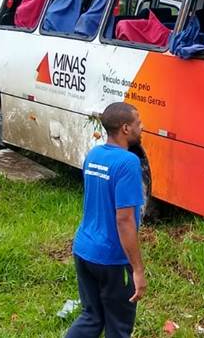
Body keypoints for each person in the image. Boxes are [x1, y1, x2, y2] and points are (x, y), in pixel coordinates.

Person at [66, 102, 148, 338]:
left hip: (83, 249)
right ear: (125, 128)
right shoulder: (128, 163)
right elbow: (124, 220)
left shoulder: (94, 155)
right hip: (111, 259)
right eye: (138, 123)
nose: (141, 127)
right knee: (119, 329)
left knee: (91, 318)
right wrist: (137, 269)